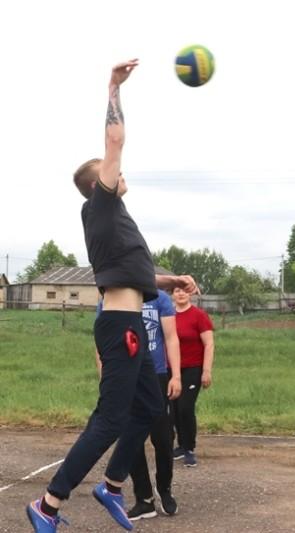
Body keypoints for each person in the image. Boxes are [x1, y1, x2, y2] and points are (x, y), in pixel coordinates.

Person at [26, 59, 199, 533]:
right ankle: (48, 503)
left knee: (146, 410)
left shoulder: (117, 224)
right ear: (99, 179)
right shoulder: (101, 203)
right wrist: (113, 88)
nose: (121, 173)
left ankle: (112, 486)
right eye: (111, 170)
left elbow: (137, 274)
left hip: (131, 324)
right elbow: (116, 140)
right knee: (109, 419)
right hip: (120, 328)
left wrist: (172, 280)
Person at [97, 289, 183, 520]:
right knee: (131, 438)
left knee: (163, 438)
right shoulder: (110, 300)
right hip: (124, 375)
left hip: (156, 375)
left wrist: (176, 376)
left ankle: (164, 489)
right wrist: (105, 377)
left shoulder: (160, 299)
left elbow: (171, 337)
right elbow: (101, 343)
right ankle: (144, 499)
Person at [171, 287, 214, 468]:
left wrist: (206, 370)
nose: (181, 294)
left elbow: (209, 343)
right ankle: (180, 445)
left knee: (185, 408)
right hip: (171, 370)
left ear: (191, 294)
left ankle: (189, 448)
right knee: (173, 411)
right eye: (177, 290)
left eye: (184, 291)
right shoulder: (168, 315)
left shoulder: (199, 315)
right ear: (172, 294)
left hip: (192, 369)